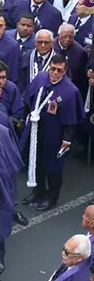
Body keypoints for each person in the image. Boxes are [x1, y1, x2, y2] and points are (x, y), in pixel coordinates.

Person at [22, 55, 84, 211]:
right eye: (52, 69)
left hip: (55, 135)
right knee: (37, 164)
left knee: (54, 168)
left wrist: (67, 140)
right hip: (37, 130)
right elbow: (28, 99)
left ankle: (52, 197)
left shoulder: (70, 91)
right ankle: (38, 192)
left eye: (59, 70)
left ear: (65, 71)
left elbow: (72, 120)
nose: (55, 73)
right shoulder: (41, 78)